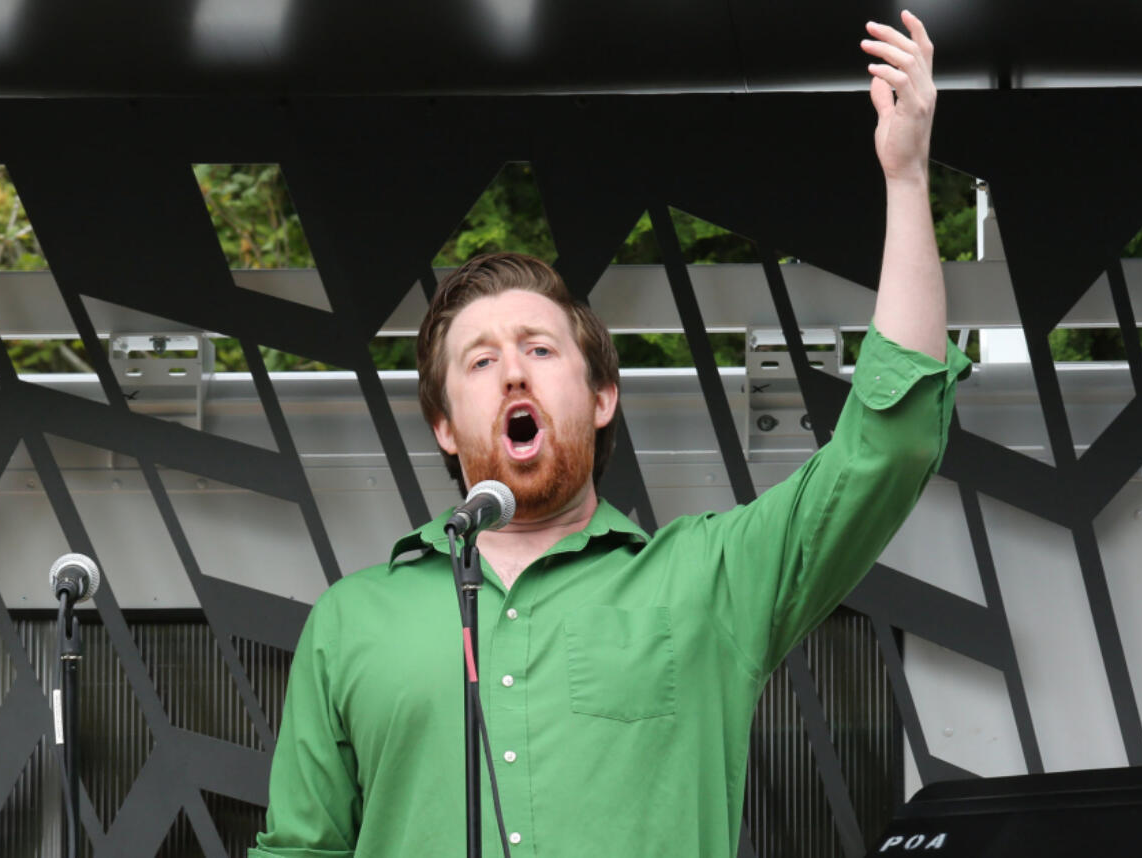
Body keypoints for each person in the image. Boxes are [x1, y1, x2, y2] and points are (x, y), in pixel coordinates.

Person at [251, 11, 970, 858]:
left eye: (540, 349)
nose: (513, 372)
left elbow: (889, 448)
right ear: (445, 428)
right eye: (479, 363)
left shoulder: (709, 582)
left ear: (601, 397)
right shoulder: (351, 621)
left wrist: (908, 175)